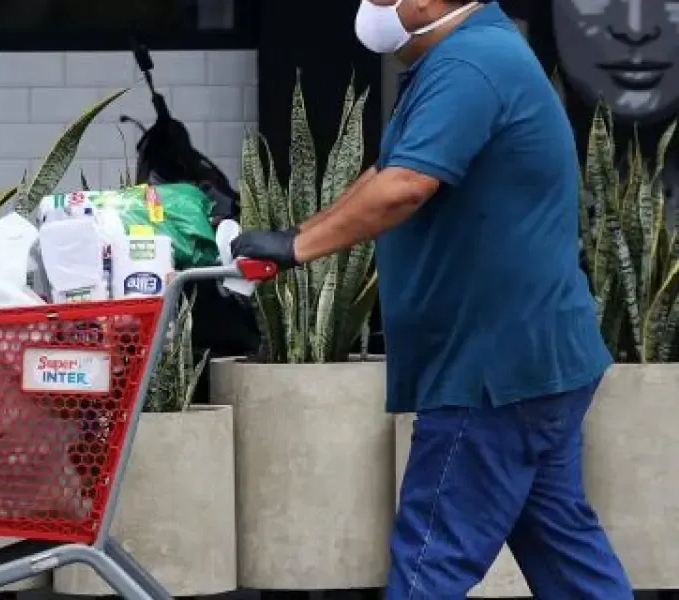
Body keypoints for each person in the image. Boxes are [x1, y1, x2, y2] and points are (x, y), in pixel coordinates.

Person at [231, 1, 634, 598]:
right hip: (534, 361)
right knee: (565, 554)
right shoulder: (468, 55)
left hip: (489, 373)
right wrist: (292, 237)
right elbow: (387, 171)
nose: (371, 5)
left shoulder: (470, 64)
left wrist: (297, 249)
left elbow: (405, 186)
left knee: (429, 565)